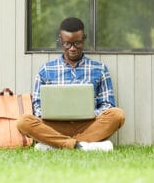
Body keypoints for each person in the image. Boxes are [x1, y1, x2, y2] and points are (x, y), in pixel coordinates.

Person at [16, 17, 125, 151]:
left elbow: (108, 105)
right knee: (23, 121)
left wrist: (90, 113)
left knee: (117, 115)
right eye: (67, 44)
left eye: (77, 43)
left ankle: (58, 145)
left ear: (84, 38)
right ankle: (82, 146)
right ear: (60, 40)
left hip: (88, 124)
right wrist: (51, 114)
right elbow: (37, 106)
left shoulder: (100, 69)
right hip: (55, 126)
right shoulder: (46, 70)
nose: (72, 48)